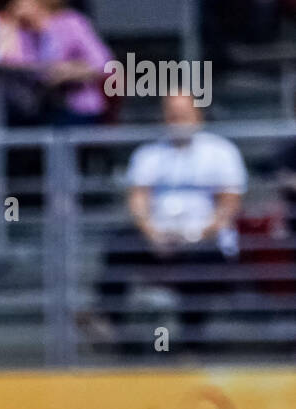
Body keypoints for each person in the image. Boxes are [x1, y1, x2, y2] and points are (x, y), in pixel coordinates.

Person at [97, 93, 248, 350]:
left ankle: (191, 341)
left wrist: (196, 235)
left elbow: (229, 205)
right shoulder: (149, 154)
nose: (177, 122)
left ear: (197, 116)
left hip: (204, 238)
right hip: (158, 238)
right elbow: (138, 200)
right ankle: (112, 327)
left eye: (183, 115)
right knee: (119, 243)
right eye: (172, 116)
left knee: (202, 262)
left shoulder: (221, 151)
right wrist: (152, 234)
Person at [7, 0, 111, 124]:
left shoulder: (71, 23)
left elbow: (103, 62)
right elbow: (14, 63)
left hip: (76, 107)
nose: (16, 3)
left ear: (40, 2)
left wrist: (68, 71)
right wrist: (11, 26)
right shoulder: (25, 31)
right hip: (39, 106)